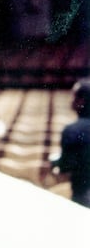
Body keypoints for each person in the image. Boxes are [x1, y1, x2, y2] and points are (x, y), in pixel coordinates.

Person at [51, 78, 90, 208]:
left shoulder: (72, 131)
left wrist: (55, 162)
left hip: (83, 196)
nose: (71, 100)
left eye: (74, 96)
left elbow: (65, 167)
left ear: (82, 101)